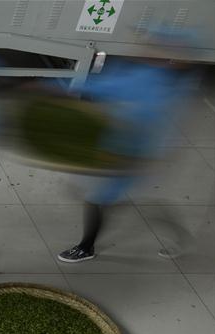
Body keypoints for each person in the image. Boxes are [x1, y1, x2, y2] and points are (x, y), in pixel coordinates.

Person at [57, 45, 197, 263]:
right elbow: (105, 88)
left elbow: (148, 127)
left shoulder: (162, 89)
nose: (148, 51)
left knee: (99, 199)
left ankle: (86, 247)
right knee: (113, 199)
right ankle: (180, 236)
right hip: (118, 150)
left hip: (133, 158)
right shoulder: (144, 74)